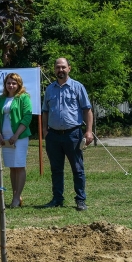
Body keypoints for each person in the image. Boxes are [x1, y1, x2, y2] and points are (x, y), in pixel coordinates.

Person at [40, 58, 93, 211]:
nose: (60, 70)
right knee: (56, 169)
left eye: (63, 67)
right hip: (53, 136)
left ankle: (80, 200)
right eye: (58, 67)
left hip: (73, 135)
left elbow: (87, 110)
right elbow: (45, 111)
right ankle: (57, 199)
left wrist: (88, 131)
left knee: (77, 168)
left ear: (69, 68)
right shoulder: (49, 89)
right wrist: (45, 130)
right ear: (54, 69)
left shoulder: (78, 87)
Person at [0, 73, 33, 208]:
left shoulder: (24, 97)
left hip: (20, 137)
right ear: (5, 84)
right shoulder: (1, 98)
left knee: (19, 166)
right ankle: (15, 195)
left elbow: (27, 117)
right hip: (5, 137)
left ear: (19, 84)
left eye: (14, 83)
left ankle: (17, 198)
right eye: (8, 83)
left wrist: (16, 135)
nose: (11, 85)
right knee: (12, 167)